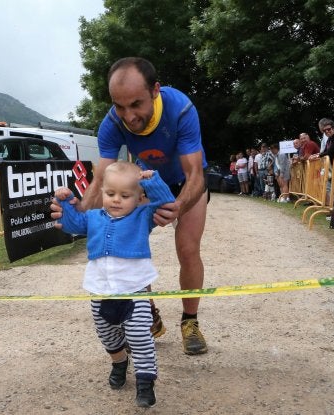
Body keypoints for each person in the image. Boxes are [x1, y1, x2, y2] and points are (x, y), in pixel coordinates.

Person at [51, 57, 209, 355]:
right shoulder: (111, 124)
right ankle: (147, 311)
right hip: (147, 182)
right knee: (129, 244)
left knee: (188, 249)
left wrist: (178, 206)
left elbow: (195, 175)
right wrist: (76, 212)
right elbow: (100, 183)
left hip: (188, 184)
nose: (128, 115)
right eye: (119, 106)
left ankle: (190, 321)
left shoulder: (181, 109)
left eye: (136, 104)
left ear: (155, 91)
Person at [55, 161, 175, 408]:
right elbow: (72, 224)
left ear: (139, 197)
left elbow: (166, 205)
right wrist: (66, 202)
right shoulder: (93, 217)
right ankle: (119, 363)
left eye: (125, 195)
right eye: (110, 194)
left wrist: (152, 181)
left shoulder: (143, 216)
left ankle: (145, 382)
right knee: (107, 336)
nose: (116, 200)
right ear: (101, 193)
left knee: (140, 337)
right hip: (100, 293)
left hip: (135, 294)